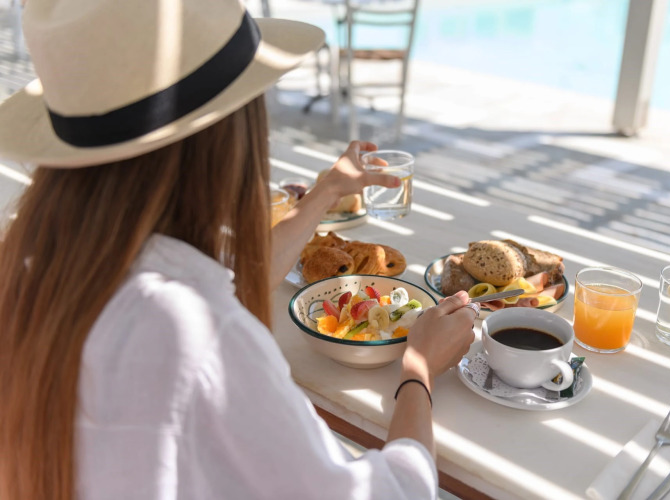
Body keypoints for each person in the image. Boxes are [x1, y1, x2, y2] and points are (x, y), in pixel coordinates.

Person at [0, 1, 476, 499]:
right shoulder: (198, 338)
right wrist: (418, 372)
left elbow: (228, 279)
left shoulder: (39, 262)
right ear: (226, 139)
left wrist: (325, 193)